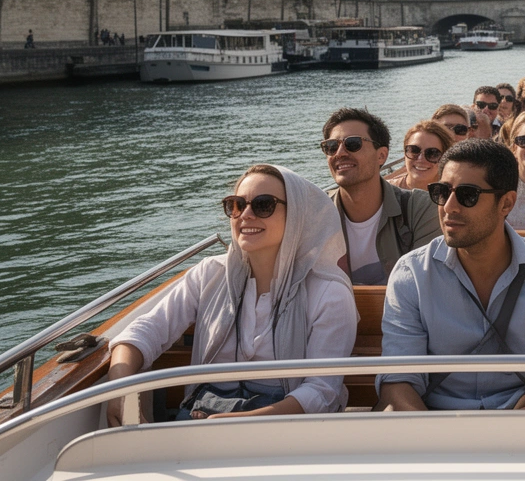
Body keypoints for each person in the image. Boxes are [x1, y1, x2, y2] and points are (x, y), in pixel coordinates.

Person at [106, 164, 358, 423]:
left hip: (286, 426)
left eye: (263, 205)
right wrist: (118, 391)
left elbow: (321, 391)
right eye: (236, 205)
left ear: (297, 215)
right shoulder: (209, 274)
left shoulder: (329, 292)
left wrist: (240, 424)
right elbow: (144, 332)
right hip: (202, 416)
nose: (245, 215)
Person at [377, 139, 525, 411]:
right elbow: (398, 380)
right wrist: (436, 440)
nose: (449, 207)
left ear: (506, 203)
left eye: (467, 195)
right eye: (442, 192)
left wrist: (517, 430)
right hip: (434, 422)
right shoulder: (412, 274)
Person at [322, 107, 440, 286]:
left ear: (382, 155)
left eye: (353, 144)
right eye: (331, 146)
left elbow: (424, 287)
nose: (340, 153)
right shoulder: (316, 214)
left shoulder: (419, 209)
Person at [387, 120, 454, 192]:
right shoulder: (385, 191)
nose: (421, 159)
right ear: (405, 153)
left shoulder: (452, 195)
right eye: (414, 150)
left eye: (432, 153)